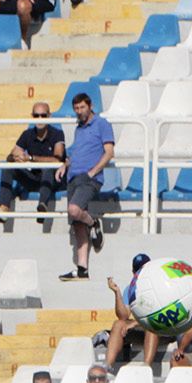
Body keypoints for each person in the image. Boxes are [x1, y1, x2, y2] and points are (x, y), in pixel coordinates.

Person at [58, 92, 113, 280]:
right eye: (76, 108)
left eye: (82, 107)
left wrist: (93, 171)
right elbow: (76, 152)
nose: (79, 111)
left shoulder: (102, 124)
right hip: (73, 177)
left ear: (90, 106)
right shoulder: (79, 128)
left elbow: (109, 152)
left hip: (89, 179)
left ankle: (94, 223)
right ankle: (82, 269)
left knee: (74, 210)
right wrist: (65, 165)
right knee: (77, 223)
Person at [0, 103, 64, 216]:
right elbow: (10, 156)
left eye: (43, 115)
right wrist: (16, 157)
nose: (40, 119)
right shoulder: (27, 134)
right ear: (32, 117)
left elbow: (57, 159)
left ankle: (43, 206)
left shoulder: (57, 134)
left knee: (48, 168)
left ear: (49, 116)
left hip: (53, 181)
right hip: (34, 179)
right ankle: (3, 207)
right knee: (8, 167)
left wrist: (30, 158)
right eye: (36, 116)